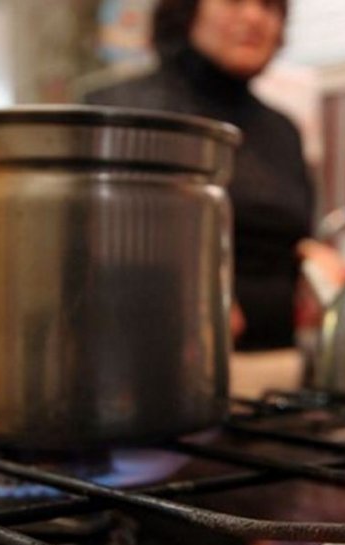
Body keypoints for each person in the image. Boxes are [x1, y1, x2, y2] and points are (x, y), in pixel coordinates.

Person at [85, 0, 313, 351]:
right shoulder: (120, 111)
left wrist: (314, 260)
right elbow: (94, 246)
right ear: (187, 10)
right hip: (158, 356)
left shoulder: (283, 131)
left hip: (276, 358)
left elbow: (293, 239)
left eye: (269, 6)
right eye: (234, 1)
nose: (254, 17)